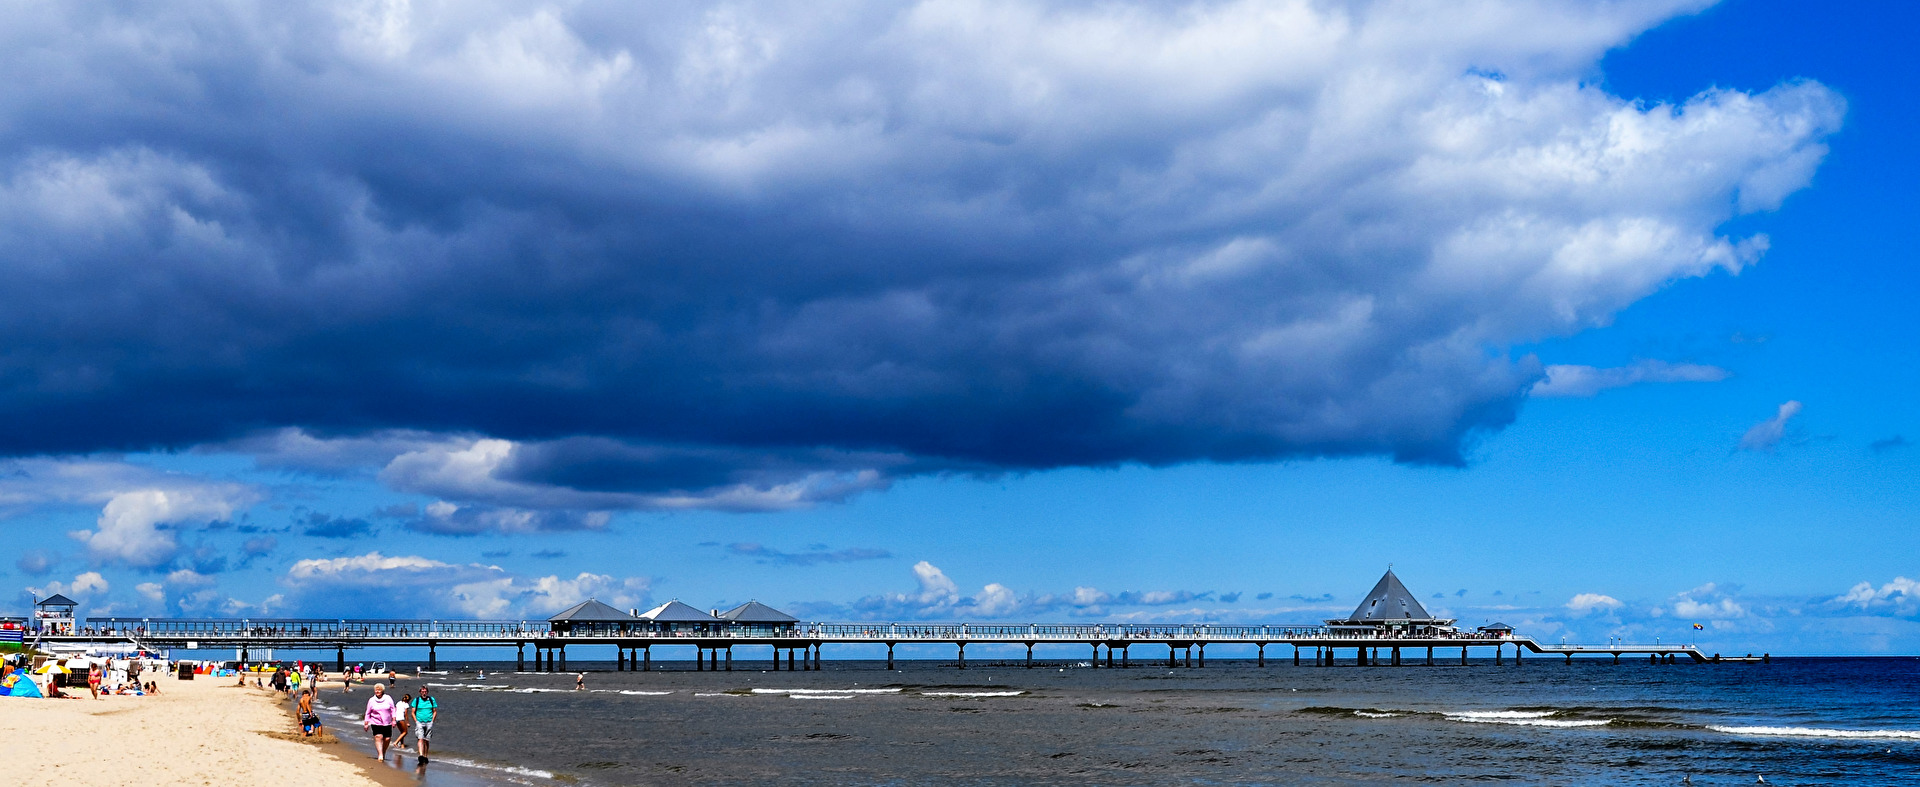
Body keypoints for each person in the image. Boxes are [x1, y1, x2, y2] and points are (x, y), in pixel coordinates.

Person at [363, 683, 397, 759]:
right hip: (376, 722)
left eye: (379, 690)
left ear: (382, 691)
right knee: (378, 737)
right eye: (376, 690)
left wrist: (394, 720)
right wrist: (366, 723)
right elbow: (368, 712)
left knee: (387, 739)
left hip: (387, 722)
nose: (377, 691)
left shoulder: (388, 698)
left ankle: (383, 751)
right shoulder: (371, 700)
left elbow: (393, 709)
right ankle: (380, 755)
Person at [409, 686, 439, 761]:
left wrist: (432, 721)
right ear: (420, 692)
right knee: (420, 738)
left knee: (427, 740)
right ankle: (421, 755)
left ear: (427, 692)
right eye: (422, 691)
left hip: (429, 722)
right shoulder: (417, 700)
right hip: (419, 722)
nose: (424, 693)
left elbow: (434, 711)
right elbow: (412, 712)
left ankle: (425, 756)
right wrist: (416, 721)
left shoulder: (431, 700)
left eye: (425, 691)